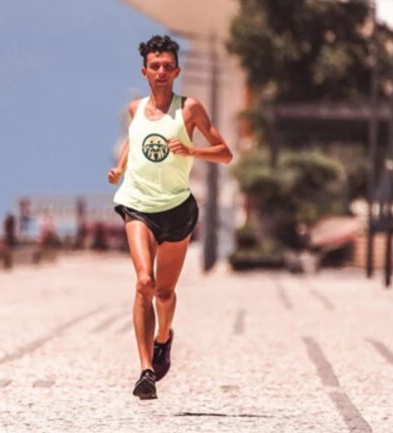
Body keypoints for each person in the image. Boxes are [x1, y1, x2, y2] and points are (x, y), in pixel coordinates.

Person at [108, 35, 233, 400]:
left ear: (177, 72)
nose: (161, 72)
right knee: (144, 282)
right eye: (155, 66)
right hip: (137, 204)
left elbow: (225, 153)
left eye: (167, 67)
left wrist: (192, 150)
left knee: (164, 293)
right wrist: (120, 169)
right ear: (144, 71)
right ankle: (146, 370)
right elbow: (133, 139)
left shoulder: (189, 109)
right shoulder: (135, 108)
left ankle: (163, 338)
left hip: (177, 208)